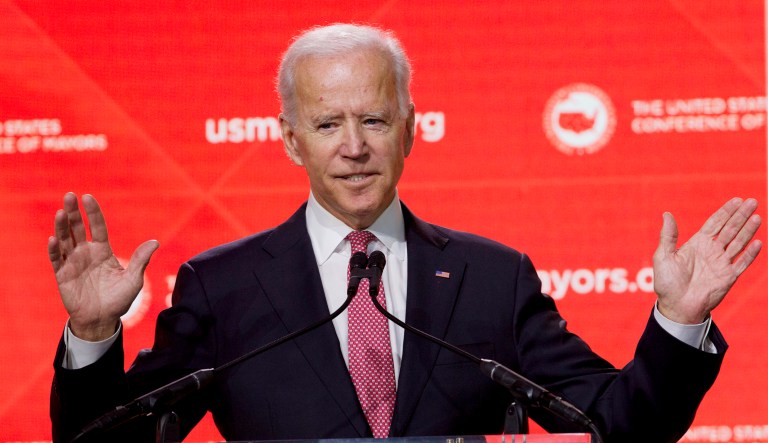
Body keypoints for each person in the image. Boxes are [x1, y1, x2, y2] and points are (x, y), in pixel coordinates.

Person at [49, 24, 762, 443]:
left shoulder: (493, 279)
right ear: (292, 140)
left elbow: (619, 425)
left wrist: (678, 321)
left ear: (411, 129)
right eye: (327, 124)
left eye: (374, 120)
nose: (354, 147)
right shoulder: (223, 286)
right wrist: (91, 335)